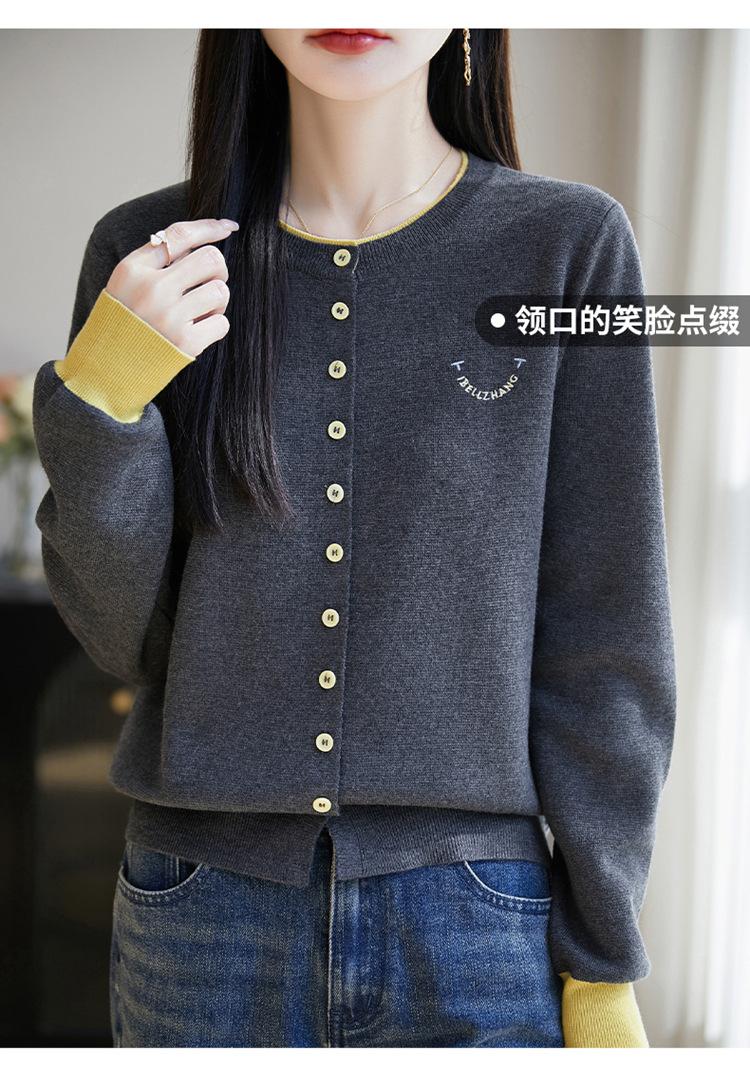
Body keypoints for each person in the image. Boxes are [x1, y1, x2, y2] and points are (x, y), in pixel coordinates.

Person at [31, 29, 676, 1047]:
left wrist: (602, 958)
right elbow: (118, 639)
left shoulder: (569, 244)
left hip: (478, 918)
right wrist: (103, 399)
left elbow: (609, 629)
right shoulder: (152, 255)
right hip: (200, 920)